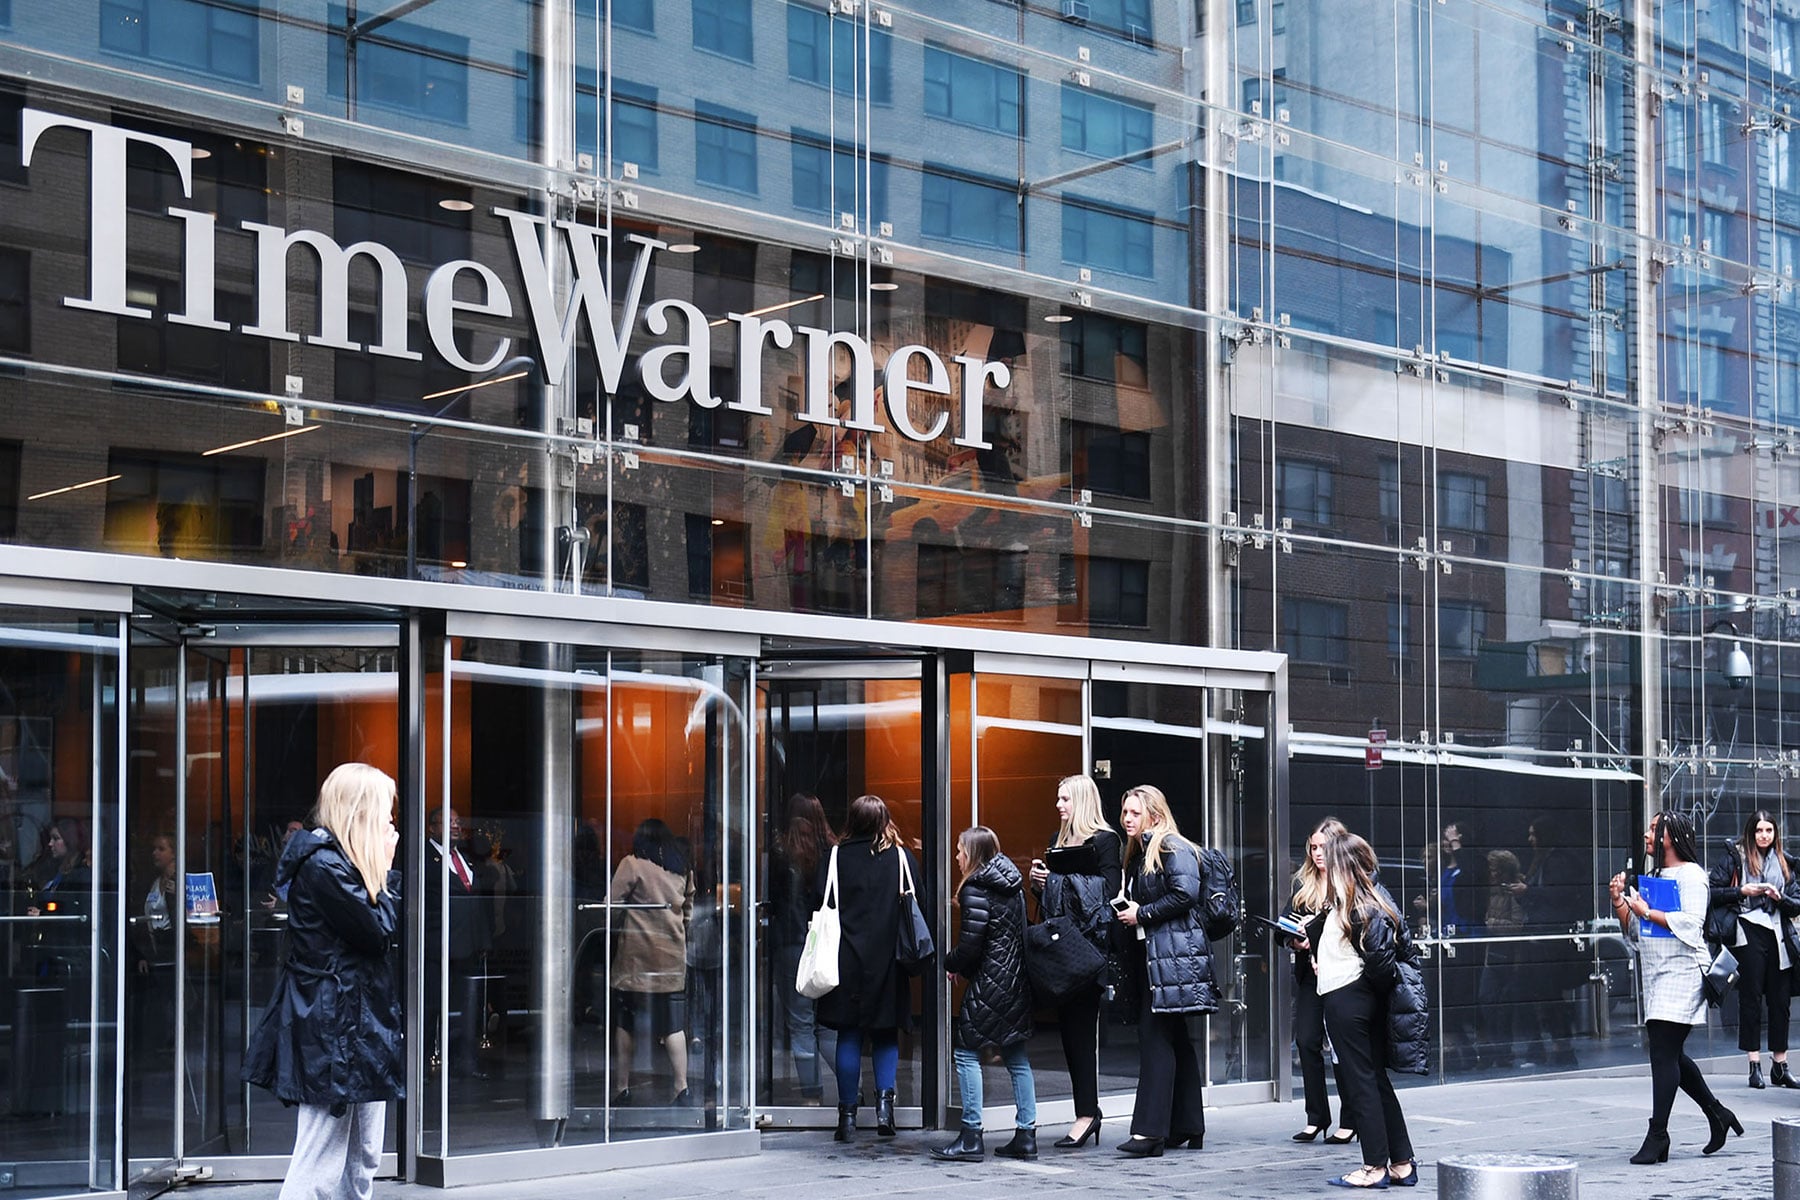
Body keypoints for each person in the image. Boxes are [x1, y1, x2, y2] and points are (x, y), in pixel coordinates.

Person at [244, 762, 402, 1200]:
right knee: (321, 1158)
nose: (392, 823)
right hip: (333, 1028)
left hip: (357, 1026)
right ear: (360, 814)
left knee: (363, 1154)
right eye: (385, 813)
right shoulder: (325, 867)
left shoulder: (345, 867)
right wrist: (385, 877)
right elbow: (378, 933)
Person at [1608, 810, 1741, 1164]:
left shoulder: (1692, 876)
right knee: (1671, 1055)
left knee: (1663, 1054)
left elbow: (1691, 923)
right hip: (1656, 972)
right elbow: (1636, 932)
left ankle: (1658, 1135)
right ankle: (1717, 1114)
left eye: (1654, 828)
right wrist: (1621, 902)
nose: (1647, 833)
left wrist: (1646, 911)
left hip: (1683, 973)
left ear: (1670, 836)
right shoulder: (1653, 876)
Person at [1316, 830, 1423, 1189]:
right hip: (1356, 997)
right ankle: (1402, 1163)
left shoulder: (1360, 905)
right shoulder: (1360, 901)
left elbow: (1380, 961)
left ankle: (1374, 1167)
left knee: (1361, 1083)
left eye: (1329, 861)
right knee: (1374, 1082)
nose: (1324, 867)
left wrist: (1361, 989)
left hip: (1349, 999)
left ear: (1342, 867)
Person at [1113, 784, 1215, 1157]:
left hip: (1171, 959)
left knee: (1155, 1037)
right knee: (1173, 1039)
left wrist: (1142, 912)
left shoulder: (1171, 846)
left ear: (1154, 815)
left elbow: (1185, 894)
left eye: (1135, 813)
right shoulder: (1141, 851)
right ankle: (1188, 1125)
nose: (1127, 819)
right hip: (1157, 957)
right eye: (1125, 812)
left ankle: (1150, 1132)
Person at [816, 794, 921, 1142]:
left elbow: (820, 899)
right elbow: (917, 898)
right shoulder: (902, 858)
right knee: (885, 1034)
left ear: (852, 820)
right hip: (889, 961)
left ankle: (846, 1118)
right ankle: (884, 1110)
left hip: (845, 960)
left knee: (848, 1034)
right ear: (884, 821)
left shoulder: (835, 857)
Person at [1026, 773, 1121, 1150]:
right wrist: (1039, 882)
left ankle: (1087, 1113)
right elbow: (1054, 900)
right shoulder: (1056, 841)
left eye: (1065, 799)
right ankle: (1086, 1110)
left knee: (1081, 1034)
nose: (1058, 805)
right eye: (1057, 798)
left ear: (1081, 801)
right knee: (1068, 1034)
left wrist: (1055, 881)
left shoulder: (1105, 841)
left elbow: (1109, 893)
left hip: (1088, 951)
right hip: (1060, 950)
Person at [932, 826, 1036, 1163]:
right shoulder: (1012, 884)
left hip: (989, 982)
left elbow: (971, 945)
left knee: (965, 1053)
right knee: (1016, 1056)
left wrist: (951, 962)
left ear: (974, 854)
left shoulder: (975, 887)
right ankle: (1026, 1135)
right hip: (1015, 979)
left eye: (961, 850)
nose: (957, 856)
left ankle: (971, 1135)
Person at [1706, 809, 1800, 1090]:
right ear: (1751, 832)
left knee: (1780, 1001)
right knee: (1751, 999)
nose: (1764, 836)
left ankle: (1780, 1066)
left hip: (1778, 933)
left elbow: (1797, 902)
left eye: (1769, 830)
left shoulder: (1785, 863)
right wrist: (1742, 892)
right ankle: (1754, 1064)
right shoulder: (1737, 857)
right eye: (1759, 830)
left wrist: (1779, 897)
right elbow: (1711, 890)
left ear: (1775, 834)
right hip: (1747, 931)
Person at [609, 817, 696, 1106]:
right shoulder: (681, 868)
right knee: (673, 1025)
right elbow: (688, 912)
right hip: (671, 960)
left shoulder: (631, 864)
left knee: (626, 1023)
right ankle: (681, 1087)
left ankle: (621, 1088)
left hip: (635, 961)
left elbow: (611, 906)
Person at [1283, 816, 1354, 1144]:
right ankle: (1316, 1116)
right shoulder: (1303, 885)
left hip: (1342, 977)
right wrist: (1295, 939)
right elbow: (1284, 927)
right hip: (1311, 977)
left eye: (1323, 847)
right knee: (1307, 1041)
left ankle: (1350, 1118)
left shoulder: (1352, 884)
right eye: (1312, 847)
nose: (1316, 854)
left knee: (1343, 1047)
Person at [772, 793, 837, 1104]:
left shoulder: (782, 852)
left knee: (800, 1024)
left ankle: (811, 1096)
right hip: (828, 943)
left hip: (792, 944)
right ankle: (852, 1089)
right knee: (828, 1024)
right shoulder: (832, 850)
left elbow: (774, 902)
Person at [1514, 813, 1584, 1069]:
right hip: (1538, 937)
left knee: (1550, 994)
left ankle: (1561, 1046)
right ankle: (1549, 1045)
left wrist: (1529, 890)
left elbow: (1559, 895)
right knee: (1540, 994)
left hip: (1550, 940)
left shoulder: (1558, 861)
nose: (1530, 839)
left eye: (1534, 834)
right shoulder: (1541, 861)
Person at [426, 806, 491, 1078]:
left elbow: (476, 903)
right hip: (436, 948)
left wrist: (484, 940)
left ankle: (466, 1060)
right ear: (432, 828)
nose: (455, 826)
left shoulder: (464, 859)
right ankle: (423, 1064)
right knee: (431, 1007)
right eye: (449, 821)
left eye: (457, 821)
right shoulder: (424, 859)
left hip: (468, 947)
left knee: (468, 1006)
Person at [1479, 850, 1526, 1070]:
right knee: (1487, 1001)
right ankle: (1492, 1051)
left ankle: (1503, 1053)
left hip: (1509, 957)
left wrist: (1492, 923)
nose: (1491, 873)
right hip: (1493, 955)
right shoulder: (1492, 892)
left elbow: (1517, 926)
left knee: (1503, 1007)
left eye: (1495, 869)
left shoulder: (1513, 892)